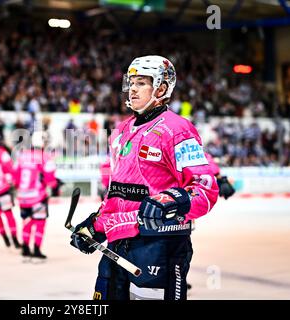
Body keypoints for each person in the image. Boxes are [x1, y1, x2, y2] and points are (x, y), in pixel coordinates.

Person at [70, 56, 219, 300]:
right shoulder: (121, 130)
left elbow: (204, 189)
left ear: (160, 88)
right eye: (131, 82)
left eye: (141, 83)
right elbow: (117, 194)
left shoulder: (177, 129)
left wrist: (173, 200)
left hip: (158, 246)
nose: (133, 89)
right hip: (118, 246)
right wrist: (96, 225)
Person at [13, 131, 58, 259]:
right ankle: (37, 249)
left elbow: (15, 176)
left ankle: (25, 248)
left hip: (23, 196)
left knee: (26, 221)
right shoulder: (46, 157)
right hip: (38, 197)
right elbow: (50, 179)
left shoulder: (22, 156)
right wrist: (55, 186)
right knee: (40, 222)